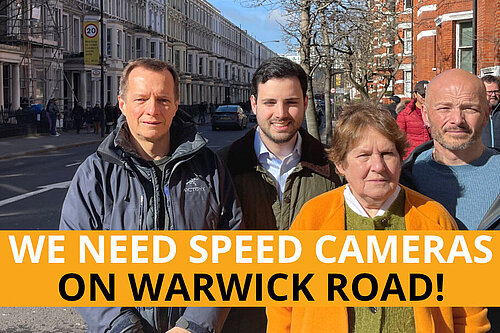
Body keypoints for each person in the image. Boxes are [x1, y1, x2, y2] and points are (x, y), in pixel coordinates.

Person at [267, 102, 490, 333]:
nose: (378, 166)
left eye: (387, 154)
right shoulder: (313, 218)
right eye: (363, 155)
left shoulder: (433, 218)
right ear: (341, 164)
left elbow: (470, 316)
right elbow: (282, 308)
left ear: (400, 159)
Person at [60, 58, 243, 333]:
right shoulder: (95, 173)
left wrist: (195, 324)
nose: (152, 110)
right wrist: (122, 326)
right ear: (122, 104)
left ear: (176, 104)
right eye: (141, 99)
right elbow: (75, 258)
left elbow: (234, 250)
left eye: (163, 100)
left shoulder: (208, 167)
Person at [218, 56, 342, 333]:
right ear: (253, 105)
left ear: (306, 104)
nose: (281, 113)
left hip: (311, 317)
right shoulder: (223, 166)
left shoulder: (332, 168)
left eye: (291, 102)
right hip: (241, 318)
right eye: (270, 102)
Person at [400, 68, 500, 330]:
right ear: (425, 114)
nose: (457, 119)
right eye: (444, 108)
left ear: (488, 112)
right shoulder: (398, 184)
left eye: (469, 108)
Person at [396, 80, 431, 158]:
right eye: (422, 95)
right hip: (412, 158)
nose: (425, 98)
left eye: (428, 95)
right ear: (415, 94)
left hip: (431, 156)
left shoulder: (436, 112)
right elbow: (398, 138)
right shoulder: (405, 114)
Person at [481, 75, 500, 147]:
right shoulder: (476, 112)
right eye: (489, 92)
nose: (493, 95)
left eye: (496, 91)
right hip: (482, 156)